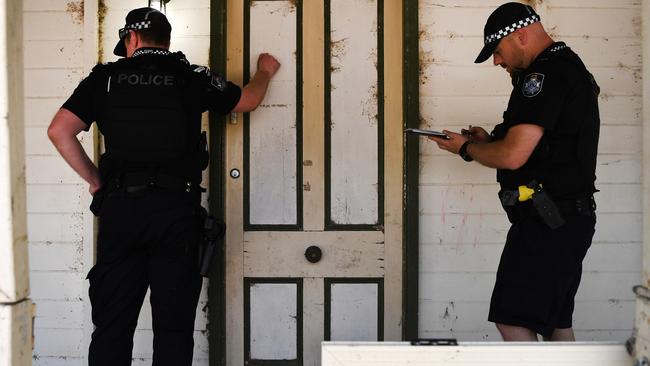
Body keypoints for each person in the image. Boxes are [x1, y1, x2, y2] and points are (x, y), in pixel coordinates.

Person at [47, 7, 280, 365]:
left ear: (132, 38)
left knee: (112, 327)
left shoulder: (105, 78)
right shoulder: (190, 76)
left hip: (121, 211)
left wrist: (96, 181)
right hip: (176, 212)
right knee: (173, 329)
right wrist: (264, 72)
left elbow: (59, 130)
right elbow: (248, 100)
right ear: (167, 40)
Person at [429, 2, 600, 341]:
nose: (497, 60)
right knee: (555, 325)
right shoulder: (569, 66)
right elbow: (545, 146)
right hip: (566, 220)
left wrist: (465, 148)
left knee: (512, 319)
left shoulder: (543, 75)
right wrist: (488, 140)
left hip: (547, 222)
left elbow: (513, 156)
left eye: (498, 50)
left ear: (520, 35)